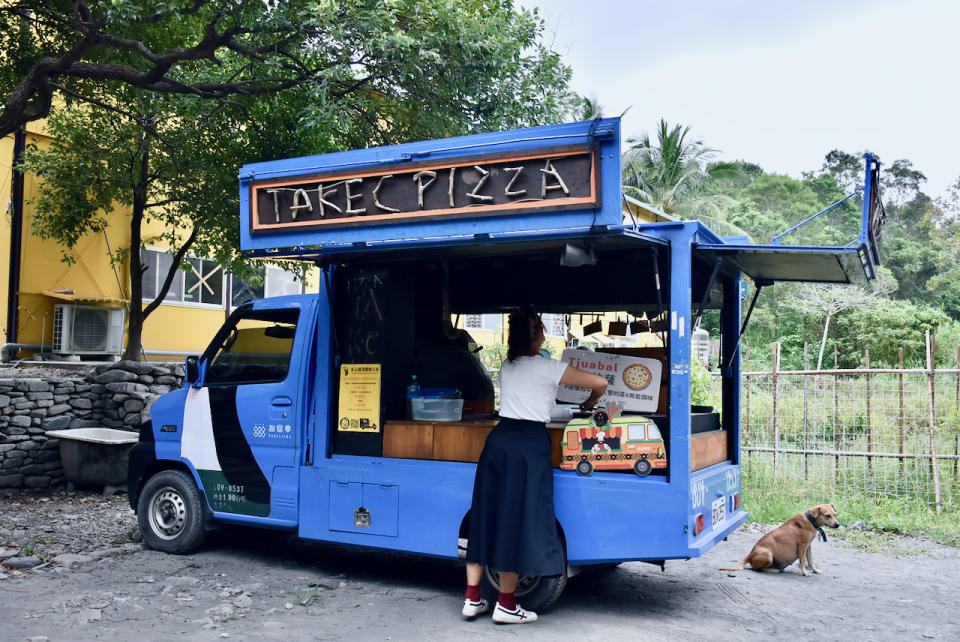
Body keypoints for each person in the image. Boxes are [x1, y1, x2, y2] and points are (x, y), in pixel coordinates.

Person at [461, 308, 608, 624]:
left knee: (486, 516)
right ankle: (506, 604)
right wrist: (590, 403)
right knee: (516, 521)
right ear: (537, 334)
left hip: (498, 442)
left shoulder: (508, 366)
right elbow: (600, 382)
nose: (544, 331)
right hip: (528, 446)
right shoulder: (548, 368)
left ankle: (473, 598)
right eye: (541, 327)